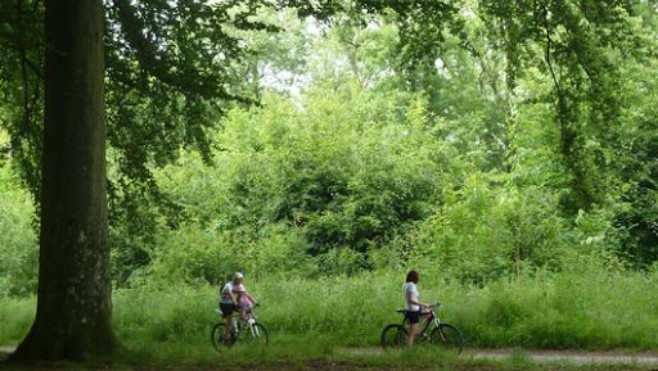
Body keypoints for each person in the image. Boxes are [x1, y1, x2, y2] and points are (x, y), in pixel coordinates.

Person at [219, 272, 257, 337]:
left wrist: (254, 301)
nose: (240, 281)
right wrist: (235, 302)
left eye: (241, 279)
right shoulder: (229, 285)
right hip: (225, 304)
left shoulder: (240, 286)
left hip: (232, 303)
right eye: (238, 279)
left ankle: (239, 325)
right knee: (229, 319)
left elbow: (246, 294)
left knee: (244, 310)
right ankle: (227, 336)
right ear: (235, 279)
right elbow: (231, 294)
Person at [402, 269, 429, 347]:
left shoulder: (406, 284)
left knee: (429, 313)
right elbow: (411, 300)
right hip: (413, 311)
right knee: (412, 333)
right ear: (415, 277)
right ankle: (409, 352)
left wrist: (423, 306)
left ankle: (420, 332)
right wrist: (423, 304)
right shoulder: (411, 285)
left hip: (411, 309)